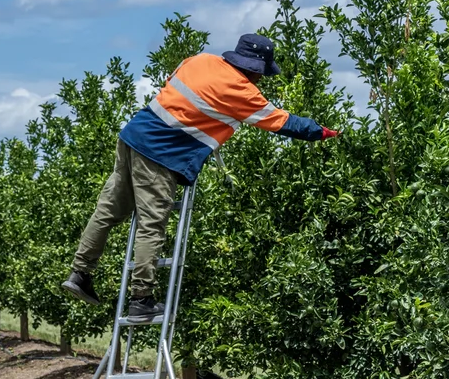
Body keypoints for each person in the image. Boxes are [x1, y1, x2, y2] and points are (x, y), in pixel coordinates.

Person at [61, 33, 338, 323]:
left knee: (107, 210)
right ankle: (141, 299)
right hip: (160, 153)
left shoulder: (199, 60)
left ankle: (80, 273)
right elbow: (284, 122)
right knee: (151, 225)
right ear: (256, 69)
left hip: (133, 135)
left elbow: (175, 88)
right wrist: (321, 132)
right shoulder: (242, 91)